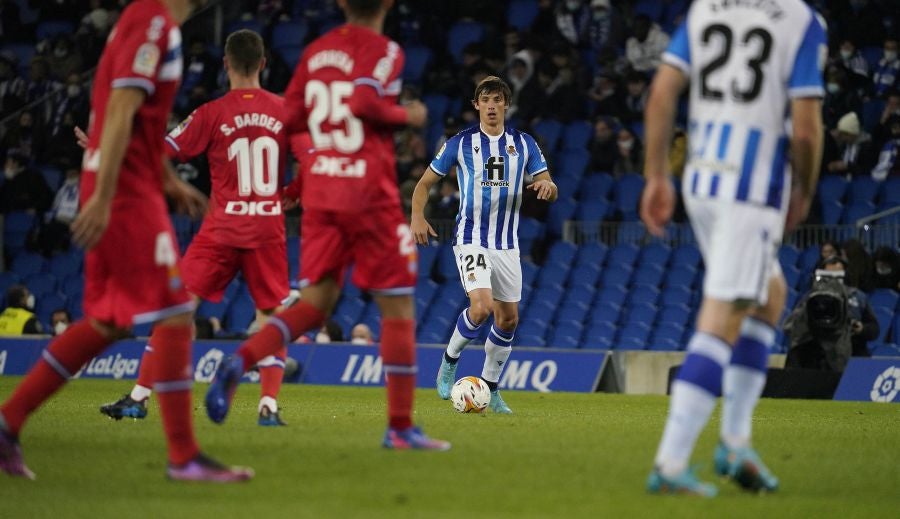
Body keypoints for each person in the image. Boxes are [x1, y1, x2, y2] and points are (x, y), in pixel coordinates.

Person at [0, 0, 253, 482]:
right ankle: (184, 457)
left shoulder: (149, 20)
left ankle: (7, 424)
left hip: (128, 181)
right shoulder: (154, 23)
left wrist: (168, 179)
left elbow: (141, 120)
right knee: (177, 310)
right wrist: (106, 193)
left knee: (108, 321)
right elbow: (120, 107)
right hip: (125, 190)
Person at [204, 0, 450, 451]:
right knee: (396, 308)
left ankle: (240, 360)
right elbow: (363, 101)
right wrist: (409, 116)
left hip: (323, 194)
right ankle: (399, 428)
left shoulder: (315, 52)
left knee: (315, 305)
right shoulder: (387, 51)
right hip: (368, 194)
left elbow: (291, 118)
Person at [639, 0, 825, 496]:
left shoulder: (706, 9)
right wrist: (804, 189)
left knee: (769, 295)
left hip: (701, 178)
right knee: (725, 312)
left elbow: (661, 94)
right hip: (750, 188)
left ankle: (735, 442)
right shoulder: (800, 20)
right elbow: (805, 128)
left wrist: (657, 175)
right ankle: (672, 460)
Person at [96, 29, 292, 427]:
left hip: (220, 229)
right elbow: (312, 160)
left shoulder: (210, 113)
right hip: (267, 229)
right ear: (263, 64)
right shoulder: (286, 111)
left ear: (225, 64)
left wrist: (104, 149)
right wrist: (293, 192)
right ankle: (268, 406)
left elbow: (160, 151)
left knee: (176, 311)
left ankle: (138, 397)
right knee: (271, 319)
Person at [410, 76, 558, 415]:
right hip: (471, 238)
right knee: (481, 308)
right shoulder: (459, 144)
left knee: (508, 321)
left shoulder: (524, 144)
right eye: (485, 100)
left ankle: (490, 388)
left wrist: (548, 187)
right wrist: (417, 216)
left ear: (506, 104)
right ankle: (449, 362)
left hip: (507, 245)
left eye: (497, 99)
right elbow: (424, 183)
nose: (491, 105)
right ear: (476, 105)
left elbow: (546, 180)